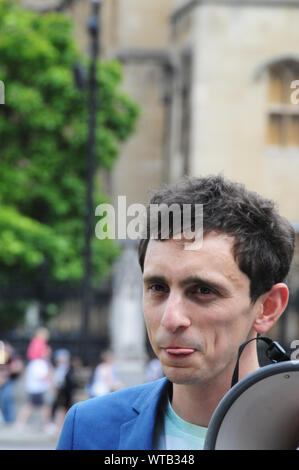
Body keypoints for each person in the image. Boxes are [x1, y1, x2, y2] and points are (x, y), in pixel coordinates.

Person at [57, 175, 295, 450]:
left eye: (203, 291)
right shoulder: (89, 428)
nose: (171, 319)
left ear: (267, 307)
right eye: (158, 287)